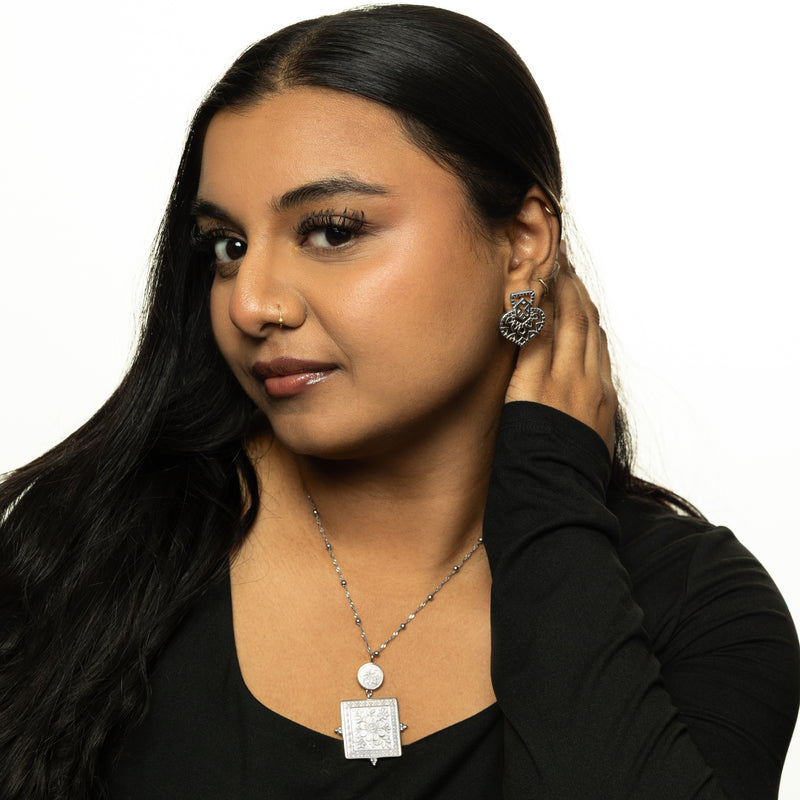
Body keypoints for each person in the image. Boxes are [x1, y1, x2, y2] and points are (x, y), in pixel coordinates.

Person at [0, 5, 797, 798]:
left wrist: (550, 493)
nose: (252, 303)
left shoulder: (699, 608)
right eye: (227, 246)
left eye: (333, 230)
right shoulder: (82, 551)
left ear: (524, 244)